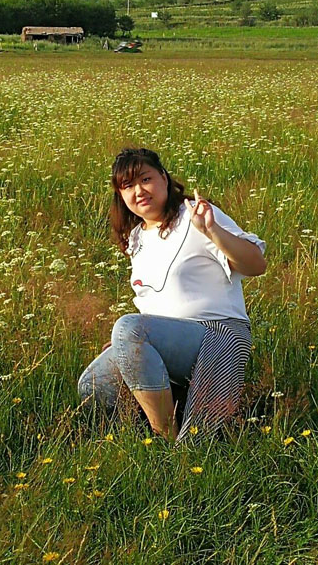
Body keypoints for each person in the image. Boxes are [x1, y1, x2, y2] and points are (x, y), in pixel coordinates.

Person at [77, 147, 267, 442]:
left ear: (164, 179)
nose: (139, 191)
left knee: (128, 329)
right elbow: (155, 304)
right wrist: (128, 343)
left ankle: (164, 436)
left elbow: (256, 264)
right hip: (174, 342)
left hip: (218, 335)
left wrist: (212, 231)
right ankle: (156, 425)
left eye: (145, 179)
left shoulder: (196, 216)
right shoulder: (137, 239)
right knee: (93, 382)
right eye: (127, 186)